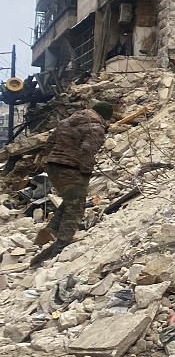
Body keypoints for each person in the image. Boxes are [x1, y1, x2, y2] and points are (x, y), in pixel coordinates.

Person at [31, 102, 114, 265]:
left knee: (71, 200)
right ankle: (62, 242)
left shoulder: (67, 121)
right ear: (104, 116)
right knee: (76, 205)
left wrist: (48, 160)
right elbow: (87, 150)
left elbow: (49, 142)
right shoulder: (95, 128)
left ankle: (51, 230)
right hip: (70, 167)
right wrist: (85, 171)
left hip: (53, 165)